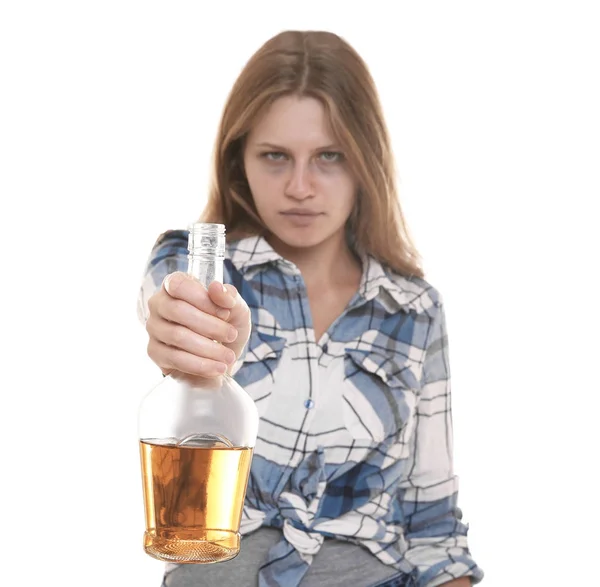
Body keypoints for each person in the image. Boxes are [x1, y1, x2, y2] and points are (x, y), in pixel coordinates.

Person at [137, 29, 484, 587]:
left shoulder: (414, 311)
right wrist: (192, 329)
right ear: (238, 161)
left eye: (329, 156)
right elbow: (172, 308)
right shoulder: (198, 267)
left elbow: (433, 525)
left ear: (365, 161)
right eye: (275, 156)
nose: (301, 186)